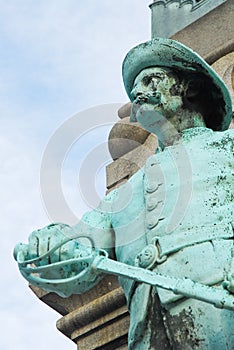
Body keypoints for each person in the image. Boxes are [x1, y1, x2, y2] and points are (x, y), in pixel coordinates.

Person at [14, 38, 234, 349]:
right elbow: (79, 248)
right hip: (147, 328)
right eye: (134, 87)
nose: (136, 92)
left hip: (220, 304)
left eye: (150, 79)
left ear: (190, 89)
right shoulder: (123, 197)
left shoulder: (229, 147)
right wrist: (50, 246)